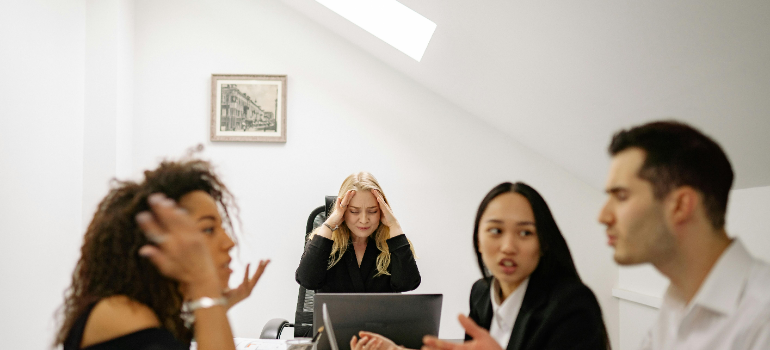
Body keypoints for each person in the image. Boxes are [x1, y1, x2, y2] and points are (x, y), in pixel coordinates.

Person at [351, 182, 608, 350]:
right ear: (478, 241)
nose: (508, 246)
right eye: (495, 231)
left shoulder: (573, 306)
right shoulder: (482, 293)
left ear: (544, 243)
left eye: (525, 233)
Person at [55, 158, 270, 350]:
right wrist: (206, 290)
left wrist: (216, 305)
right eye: (208, 229)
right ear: (155, 243)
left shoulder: (150, 314)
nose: (229, 242)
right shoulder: (119, 314)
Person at [598, 120, 770, 349]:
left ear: (680, 206)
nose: (603, 216)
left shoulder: (762, 318)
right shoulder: (676, 302)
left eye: (621, 196)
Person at [295, 172, 420, 293]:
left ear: (382, 211)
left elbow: (407, 284)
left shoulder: (393, 242)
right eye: (354, 211)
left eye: (373, 211)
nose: (364, 220)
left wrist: (394, 226)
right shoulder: (324, 239)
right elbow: (307, 280)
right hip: (335, 315)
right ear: (343, 211)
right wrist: (328, 226)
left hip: (381, 315)